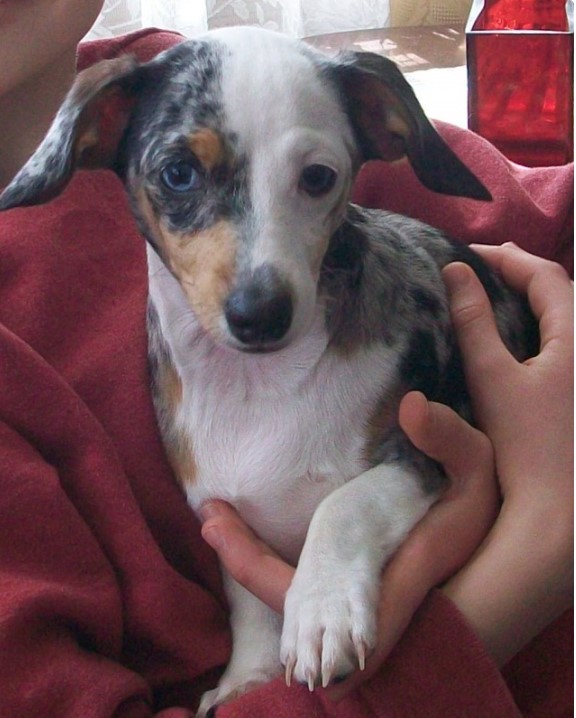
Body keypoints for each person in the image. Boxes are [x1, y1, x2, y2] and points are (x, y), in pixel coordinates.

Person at [0, 2, 572, 717]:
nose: (256, 282)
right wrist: (540, 543)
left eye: (313, 180)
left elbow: (554, 217)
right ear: (94, 137)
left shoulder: (267, 87)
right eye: (181, 174)